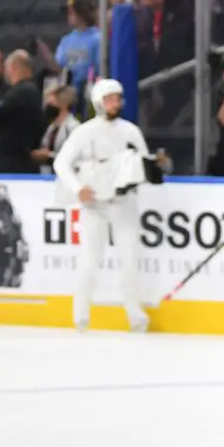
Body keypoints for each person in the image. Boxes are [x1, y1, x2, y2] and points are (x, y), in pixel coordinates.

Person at [53, 79, 157, 333]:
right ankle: (81, 314)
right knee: (89, 259)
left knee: (130, 259)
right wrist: (79, 188)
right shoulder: (84, 132)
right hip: (94, 205)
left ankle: (135, 314)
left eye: (117, 98)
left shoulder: (130, 131)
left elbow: (145, 163)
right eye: (109, 99)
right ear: (99, 102)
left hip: (123, 202)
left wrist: (149, 169)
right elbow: (61, 164)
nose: (115, 104)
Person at [0, 51, 46, 174]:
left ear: (13, 67)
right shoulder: (23, 91)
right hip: (8, 161)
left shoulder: (23, 91)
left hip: (13, 164)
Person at [57, 0, 102, 117]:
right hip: (69, 95)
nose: (69, 16)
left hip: (88, 94)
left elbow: (100, 68)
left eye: (71, 12)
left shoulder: (97, 38)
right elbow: (58, 66)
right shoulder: (66, 40)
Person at [32, 85, 82, 174]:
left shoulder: (73, 127)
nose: (48, 106)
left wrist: (49, 156)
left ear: (64, 103)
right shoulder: (51, 128)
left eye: (51, 102)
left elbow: (76, 157)